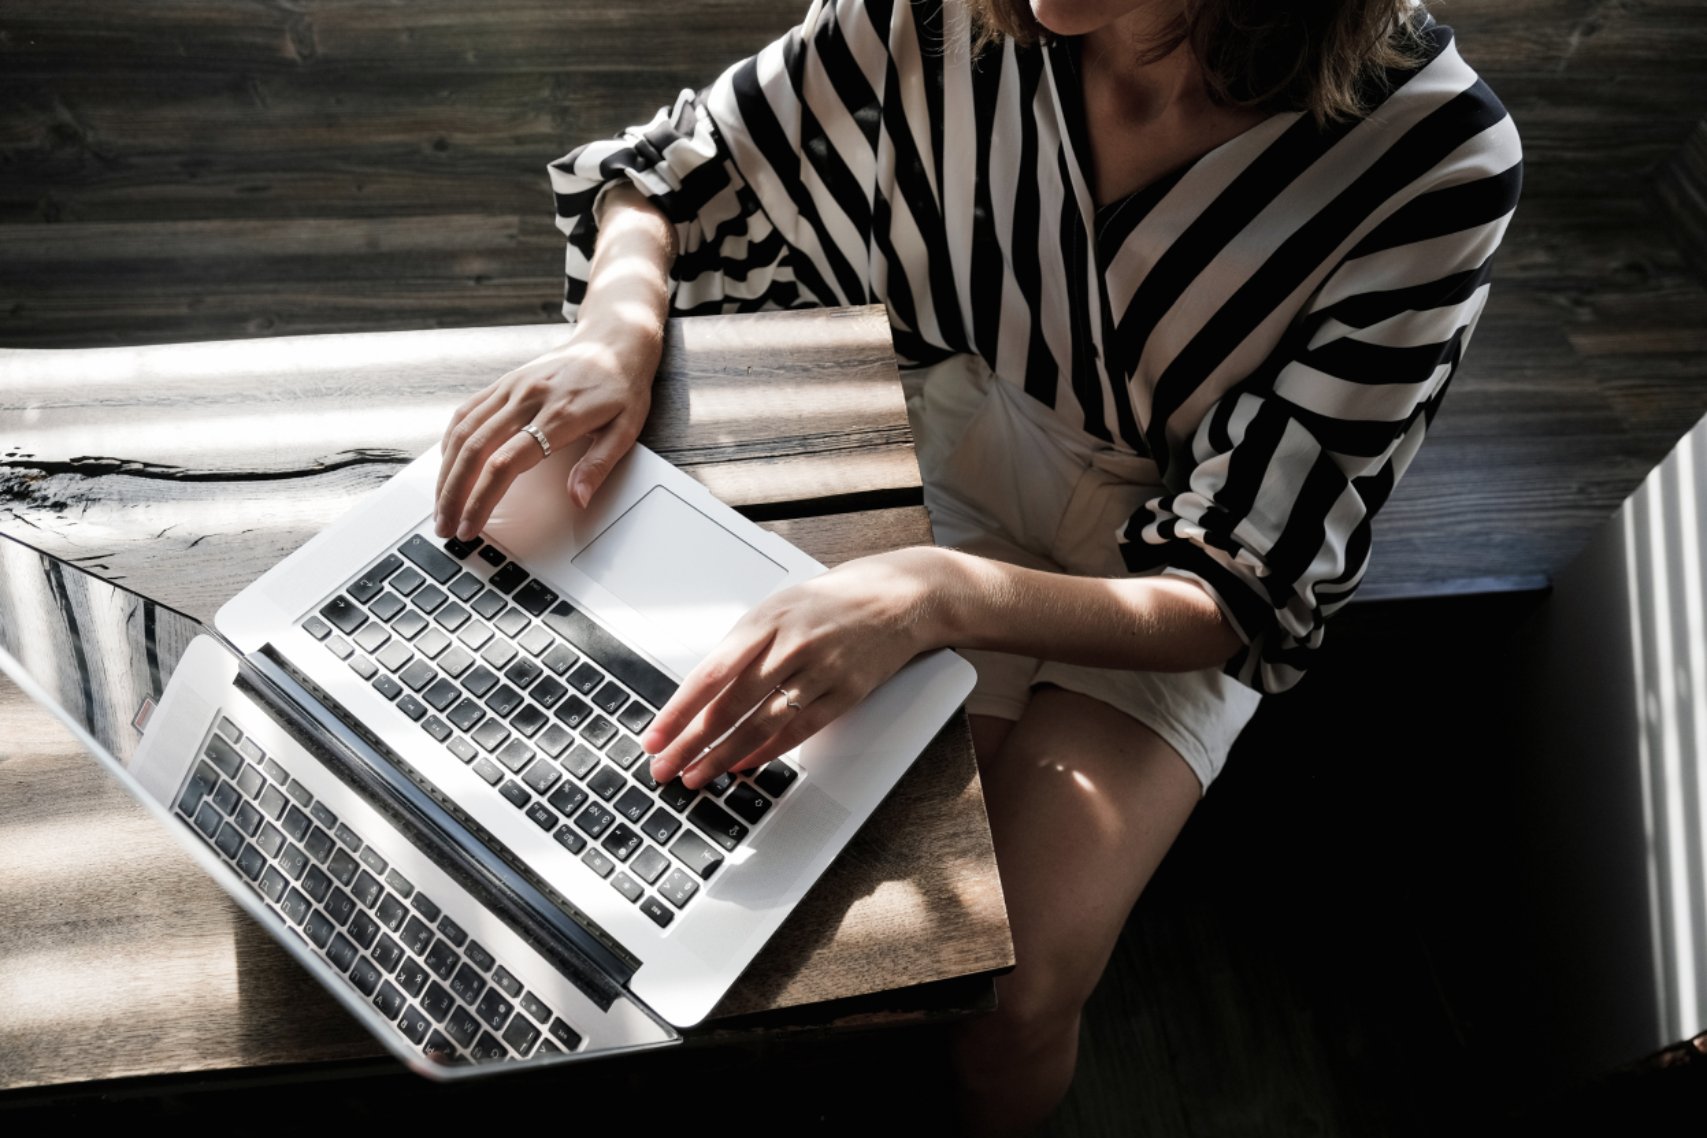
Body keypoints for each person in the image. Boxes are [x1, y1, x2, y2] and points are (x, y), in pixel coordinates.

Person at [434, 0, 1521, 1130]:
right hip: (944, 438)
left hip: (1163, 572)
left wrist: (935, 597)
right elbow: (679, 161)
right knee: (840, 891)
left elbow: (1236, 588)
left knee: (1018, 988)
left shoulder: (1437, 157)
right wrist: (616, 329)